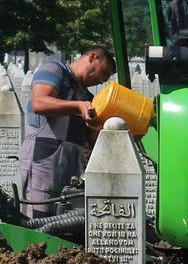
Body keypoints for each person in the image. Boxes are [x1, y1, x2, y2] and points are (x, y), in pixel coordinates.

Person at [18, 46, 117, 214]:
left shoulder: (88, 98)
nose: (102, 80)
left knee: (63, 228)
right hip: (43, 161)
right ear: (93, 57)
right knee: (39, 222)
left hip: (70, 171)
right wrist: (78, 107)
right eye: (104, 72)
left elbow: (92, 140)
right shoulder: (54, 70)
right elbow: (39, 103)